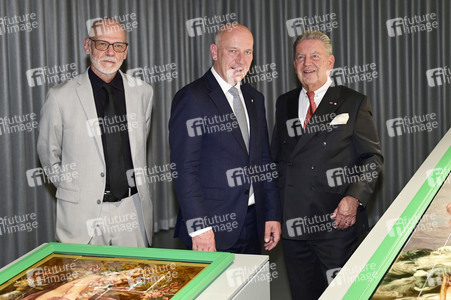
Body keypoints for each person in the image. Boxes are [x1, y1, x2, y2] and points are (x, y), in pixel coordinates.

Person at [271, 30, 383, 299]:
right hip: (294, 225)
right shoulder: (284, 103)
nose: (307, 63)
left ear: (330, 62)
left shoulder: (352, 102)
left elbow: (372, 158)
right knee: (303, 294)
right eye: (300, 57)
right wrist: (272, 212)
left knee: (343, 294)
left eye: (314, 56)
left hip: (336, 224)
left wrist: (353, 199)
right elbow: (276, 160)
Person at [37, 18, 153, 247]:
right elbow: (48, 155)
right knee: (84, 283)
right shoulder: (60, 96)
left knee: (135, 282)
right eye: (102, 44)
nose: (110, 52)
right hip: (83, 216)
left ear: (126, 51)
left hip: (132, 210)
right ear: (87, 46)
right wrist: (76, 191)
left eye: (118, 45)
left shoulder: (143, 93)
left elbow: (138, 145)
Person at [169, 24, 281, 254]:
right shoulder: (192, 97)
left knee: (252, 290)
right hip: (211, 228)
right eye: (233, 51)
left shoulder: (255, 98)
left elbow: (263, 160)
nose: (241, 60)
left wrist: (272, 213)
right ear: (214, 51)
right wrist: (200, 228)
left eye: (248, 52)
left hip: (254, 222)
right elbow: (184, 170)